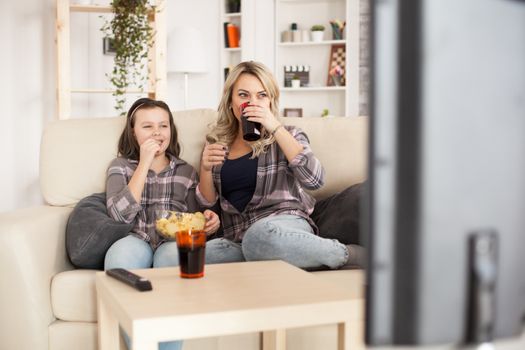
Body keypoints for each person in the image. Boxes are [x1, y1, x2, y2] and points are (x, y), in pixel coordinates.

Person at [197, 61, 362, 269]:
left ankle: (347, 255)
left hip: (282, 227)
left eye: (261, 95)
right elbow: (208, 205)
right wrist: (204, 168)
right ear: (231, 101)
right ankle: (280, 258)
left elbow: (315, 180)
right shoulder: (216, 141)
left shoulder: (289, 134)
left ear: (271, 101)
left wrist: (275, 127)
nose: (252, 102)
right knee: (189, 255)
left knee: (260, 238)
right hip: (238, 239)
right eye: (243, 95)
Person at [105, 97, 220, 350]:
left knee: (176, 261)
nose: (157, 132)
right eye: (147, 126)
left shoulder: (186, 171)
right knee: (118, 262)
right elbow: (119, 215)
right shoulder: (120, 167)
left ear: (171, 130)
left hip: (172, 241)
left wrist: (209, 221)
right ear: (133, 132)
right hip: (136, 238)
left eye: (163, 125)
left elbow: (196, 216)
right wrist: (144, 163)